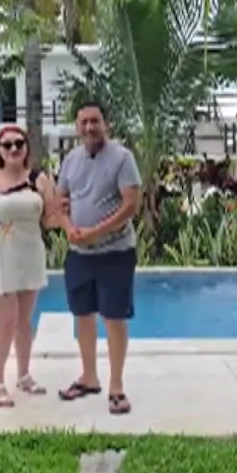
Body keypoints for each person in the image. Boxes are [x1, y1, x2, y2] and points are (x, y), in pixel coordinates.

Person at [54, 100, 142, 415]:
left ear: (106, 124)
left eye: (95, 121)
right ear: (77, 127)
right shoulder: (71, 160)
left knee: (113, 317)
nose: (90, 127)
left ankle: (116, 386)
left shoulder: (122, 158)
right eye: (84, 122)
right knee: (83, 314)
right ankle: (89, 378)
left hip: (115, 253)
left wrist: (95, 232)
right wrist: (69, 229)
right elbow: (60, 199)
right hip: (79, 254)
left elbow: (131, 205)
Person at [0, 125, 63, 407]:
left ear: (27, 147)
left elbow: (50, 221)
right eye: (7, 145)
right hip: (3, 255)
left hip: (30, 253)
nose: (14, 149)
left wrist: (59, 204)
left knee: (24, 320)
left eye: (19, 143)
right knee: (5, 321)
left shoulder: (39, 179)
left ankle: (24, 375)